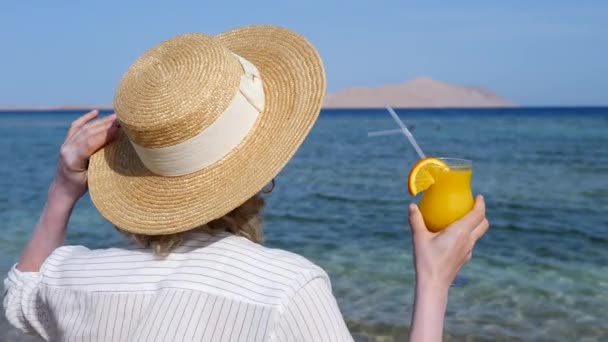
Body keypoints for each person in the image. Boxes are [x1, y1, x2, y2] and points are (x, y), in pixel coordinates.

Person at [3, 25, 489, 342]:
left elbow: (20, 296)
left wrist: (63, 190)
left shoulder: (73, 277)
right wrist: (434, 282)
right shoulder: (285, 288)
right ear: (264, 168)